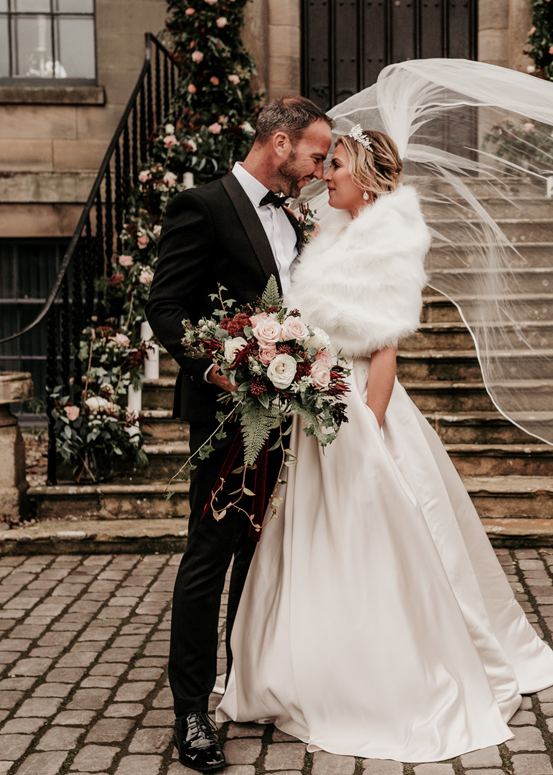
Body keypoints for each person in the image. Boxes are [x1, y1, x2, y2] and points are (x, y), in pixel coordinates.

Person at [215, 127, 553, 761]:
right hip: (318, 397)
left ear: (365, 178)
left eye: (336, 165)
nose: (325, 175)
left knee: (377, 529)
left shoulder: (389, 240)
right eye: (325, 164)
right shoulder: (330, 231)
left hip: (359, 403)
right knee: (314, 535)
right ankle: (307, 663)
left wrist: (371, 428)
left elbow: (385, 350)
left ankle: (386, 665)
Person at [145, 96, 332, 772]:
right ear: (280, 144)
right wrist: (216, 365)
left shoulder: (296, 217)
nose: (320, 170)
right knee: (211, 555)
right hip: (227, 415)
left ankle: (246, 685)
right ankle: (191, 711)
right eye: (315, 155)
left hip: (286, 416)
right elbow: (165, 306)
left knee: (262, 554)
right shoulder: (202, 206)